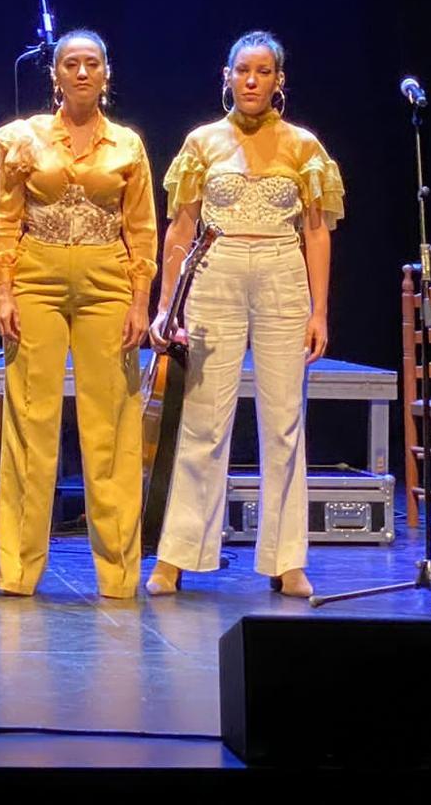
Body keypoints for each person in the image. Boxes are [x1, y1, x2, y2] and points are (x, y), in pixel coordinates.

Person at [146, 30, 343, 600]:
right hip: (217, 269)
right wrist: (166, 306)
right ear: (227, 75)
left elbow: (317, 232)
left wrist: (319, 311)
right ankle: (177, 556)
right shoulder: (203, 142)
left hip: (282, 270)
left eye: (263, 72)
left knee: (283, 420)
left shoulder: (303, 146)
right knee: (204, 420)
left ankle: (287, 560)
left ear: (279, 80)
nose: (252, 81)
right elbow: (180, 229)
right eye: (242, 71)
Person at [0, 31, 157, 599]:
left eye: (92, 64)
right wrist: (4, 291)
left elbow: (141, 230)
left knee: (110, 425)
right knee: (30, 420)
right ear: (55, 74)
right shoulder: (27, 138)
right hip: (36, 276)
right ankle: (17, 569)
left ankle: (118, 574)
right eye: (70, 64)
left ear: (107, 74)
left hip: (108, 281)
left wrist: (141, 302)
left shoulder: (127, 145)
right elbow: (6, 218)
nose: (81, 73)